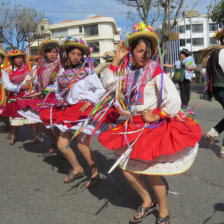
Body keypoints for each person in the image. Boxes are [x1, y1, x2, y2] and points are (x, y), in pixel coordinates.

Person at [98, 22, 201, 224]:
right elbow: (109, 86)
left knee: (151, 173)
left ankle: (163, 211)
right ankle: (147, 201)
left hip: (150, 128)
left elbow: (173, 100)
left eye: (147, 52)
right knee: (127, 170)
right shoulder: (126, 73)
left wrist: (156, 114)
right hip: (131, 126)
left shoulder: (156, 72)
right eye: (139, 51)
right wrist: (115, 62)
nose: (144, 55)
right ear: (131, 52)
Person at [38, 36, 106, 186]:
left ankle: (95, 174)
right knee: (62, 145)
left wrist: (90, 101)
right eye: (73, 54)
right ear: (67, 55)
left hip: (83, 111)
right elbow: (57, 90)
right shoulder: (62, 73)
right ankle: (77, 168)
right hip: (68, 110)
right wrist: (60, 98)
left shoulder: (88, 72)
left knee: (82, 144)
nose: (76, 57)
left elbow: (100, 90)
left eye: (79, 54)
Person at [18, 39, 64, 151]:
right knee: (40, 123)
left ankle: (62, 147)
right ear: (44, 54)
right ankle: (55, 140)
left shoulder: (61, 66)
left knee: (56, 123)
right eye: (50, 52)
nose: (52, 54)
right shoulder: (38, 67)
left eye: (55, 52)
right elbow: (33, 82)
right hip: (43, 98)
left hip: (56, 98)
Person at [1, 50, 38, 145]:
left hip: (28, 95)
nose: (19, 59)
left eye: (21, 57)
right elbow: (7, 85)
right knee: (15, 117)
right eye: (17, 57)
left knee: (33, 117)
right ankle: (13, 133)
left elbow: (33, 82)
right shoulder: (7, 70)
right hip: (15, 95)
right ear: (13, 60)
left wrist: (30, 86)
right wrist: (20, 87)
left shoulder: (29, 69)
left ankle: (36, 135)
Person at [205, 26, 224, 158]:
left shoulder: (213, 55)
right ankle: (213, 134)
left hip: (217, 88)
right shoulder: (222, 53)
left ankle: (213, 134)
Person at [0, 49, 11, 133]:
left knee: (3, 113)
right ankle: (9, 125)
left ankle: (9, 126)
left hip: (4, 93)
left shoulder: (6, 69)